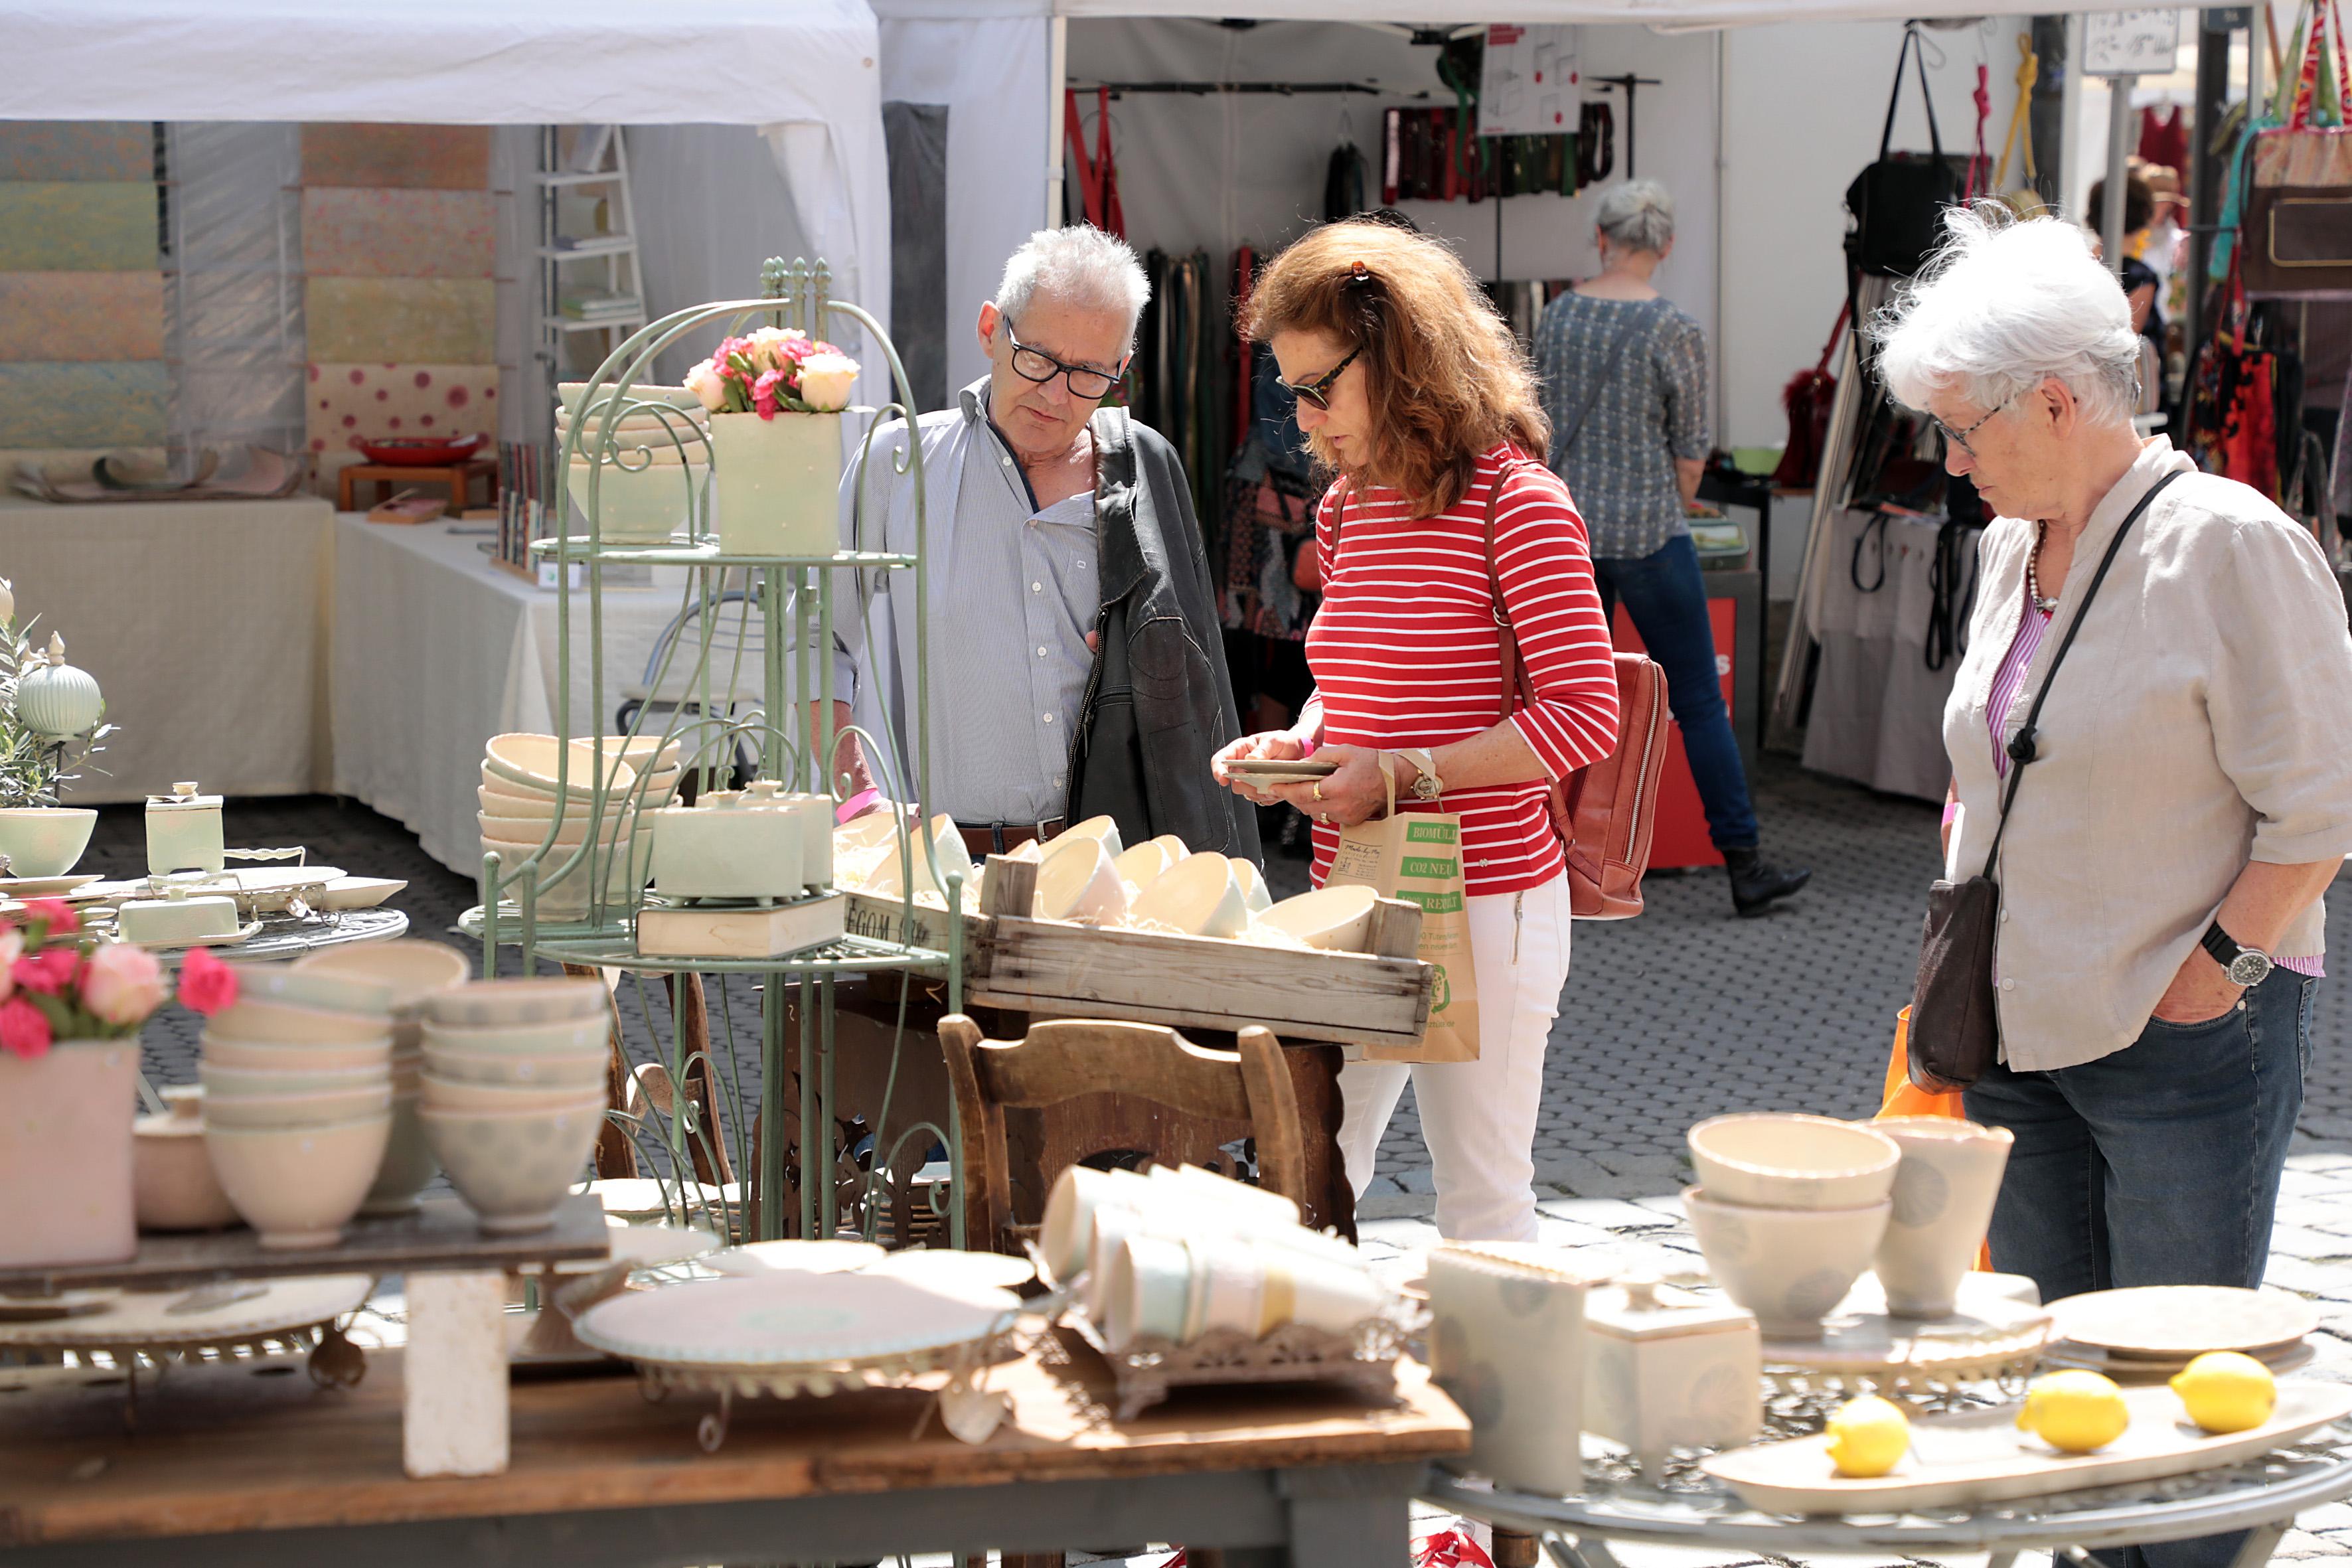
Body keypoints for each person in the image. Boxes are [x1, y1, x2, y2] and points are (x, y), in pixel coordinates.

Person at [1881, 209, 2352, 1567]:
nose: (1951, 459)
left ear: (2054, 396)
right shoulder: (2002, 547)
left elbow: (2318, 806)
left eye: (1964, 429)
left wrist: (2213, 979)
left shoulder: (2226, 543)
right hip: (2016, 1021)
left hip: (2178, 1024)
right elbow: (1989, 767)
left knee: (2181, 1384)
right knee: (2063, 1390)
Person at [1212, 218, 1620, 1241]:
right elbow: (1347, 688)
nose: (1301, 420)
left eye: (1318, 388)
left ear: (1399, 362)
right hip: (1354, 880)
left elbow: (1581, 715)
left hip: (1484, 898)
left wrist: (1400, 776)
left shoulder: (1516, 503)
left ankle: (1491, 1400)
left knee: (1480, 1201)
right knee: (1305, 1180)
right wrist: (1297, 746)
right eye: (1290, 391)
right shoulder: (1348, 507)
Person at [826, 226, 1257, 862]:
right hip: (958, 873)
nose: (1056, 395)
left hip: (1124, 871)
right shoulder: (899, 465)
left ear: (1121, 370)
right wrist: (857, 798)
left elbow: (1194, 683)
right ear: (989, 331)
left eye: (1088, 374)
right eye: (1039, 360)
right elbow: (813, 636)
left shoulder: (1142, 470)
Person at [1532, 182, 1810, 916]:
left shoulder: (1557, 316)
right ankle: (1745, 863)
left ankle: (1548, 862)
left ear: (1601, 237)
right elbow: (1691, 452)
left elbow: (1533, 422)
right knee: (1695, 700)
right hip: (1652, 533)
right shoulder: (1675, 328)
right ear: (1667, 247)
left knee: (1563, 700)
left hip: (1565, 536)